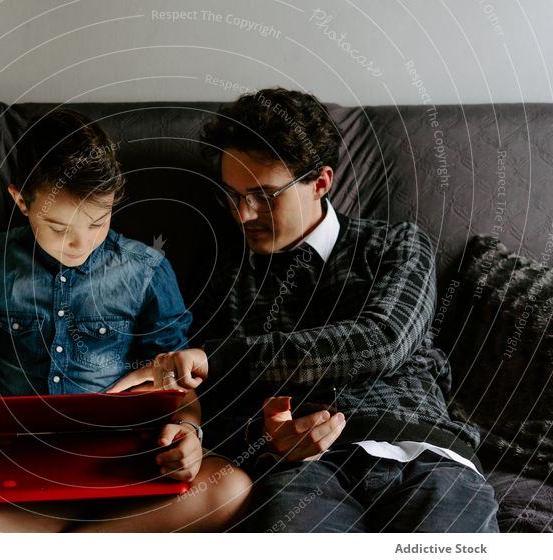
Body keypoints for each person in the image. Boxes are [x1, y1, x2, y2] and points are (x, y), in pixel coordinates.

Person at [134, 88, 499, 532]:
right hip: (301, 471)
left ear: (321, 182)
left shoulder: (395, 245)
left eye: (264, 196)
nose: (244, 215)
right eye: (231, 195)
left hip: (420, 451)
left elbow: (384, 339)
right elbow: (212, 402)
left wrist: (222, 358)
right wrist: (264, 438)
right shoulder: (224, 273)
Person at [0, 109, 251, 532]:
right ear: (21, 200)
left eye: (98, 222)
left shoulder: (145, 269)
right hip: (12, 451)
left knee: (231, 487)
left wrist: (190, 432)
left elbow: (178, 378)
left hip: (125, 453)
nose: (80, 242)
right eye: (59, 227)